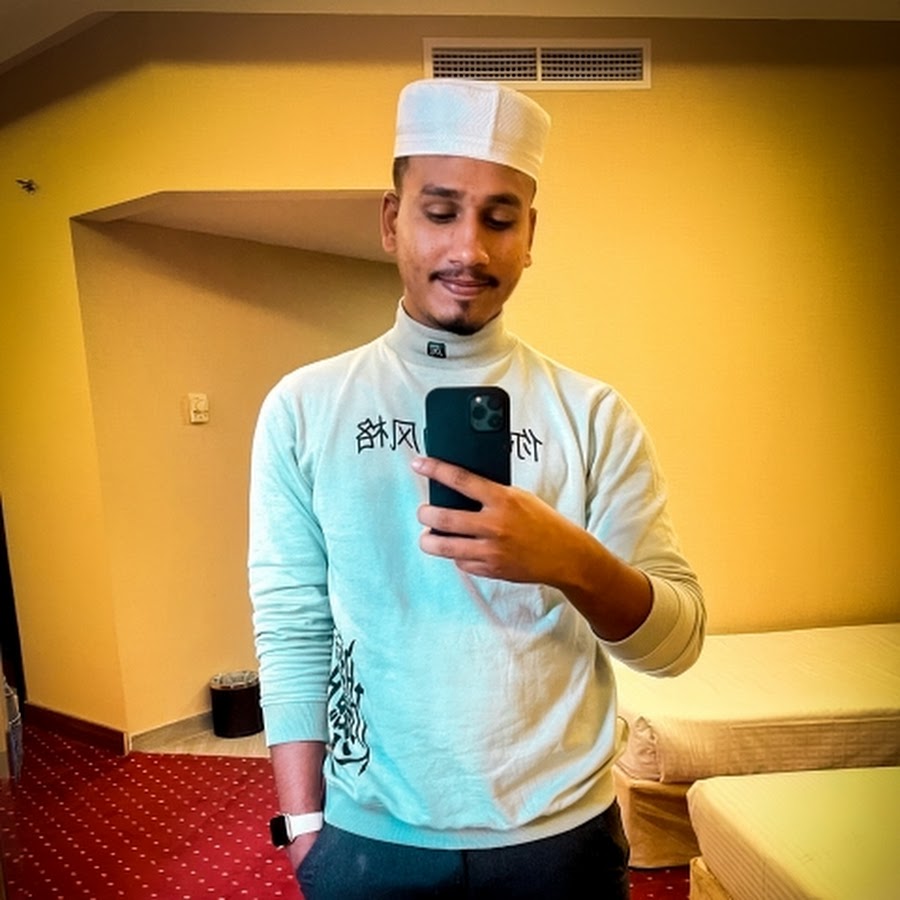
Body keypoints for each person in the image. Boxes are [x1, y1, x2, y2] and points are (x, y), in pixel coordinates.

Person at [248, 78, 705, 900]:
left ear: (530, 236)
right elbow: (293, 623)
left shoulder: (592, 415)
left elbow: (676, 646)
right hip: (368, 838)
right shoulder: (305, 407)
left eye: (499, 218)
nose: (470, 249)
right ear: (392, 220)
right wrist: (303, 822)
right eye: (440, 211)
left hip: (560, 838)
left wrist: (571, 561)